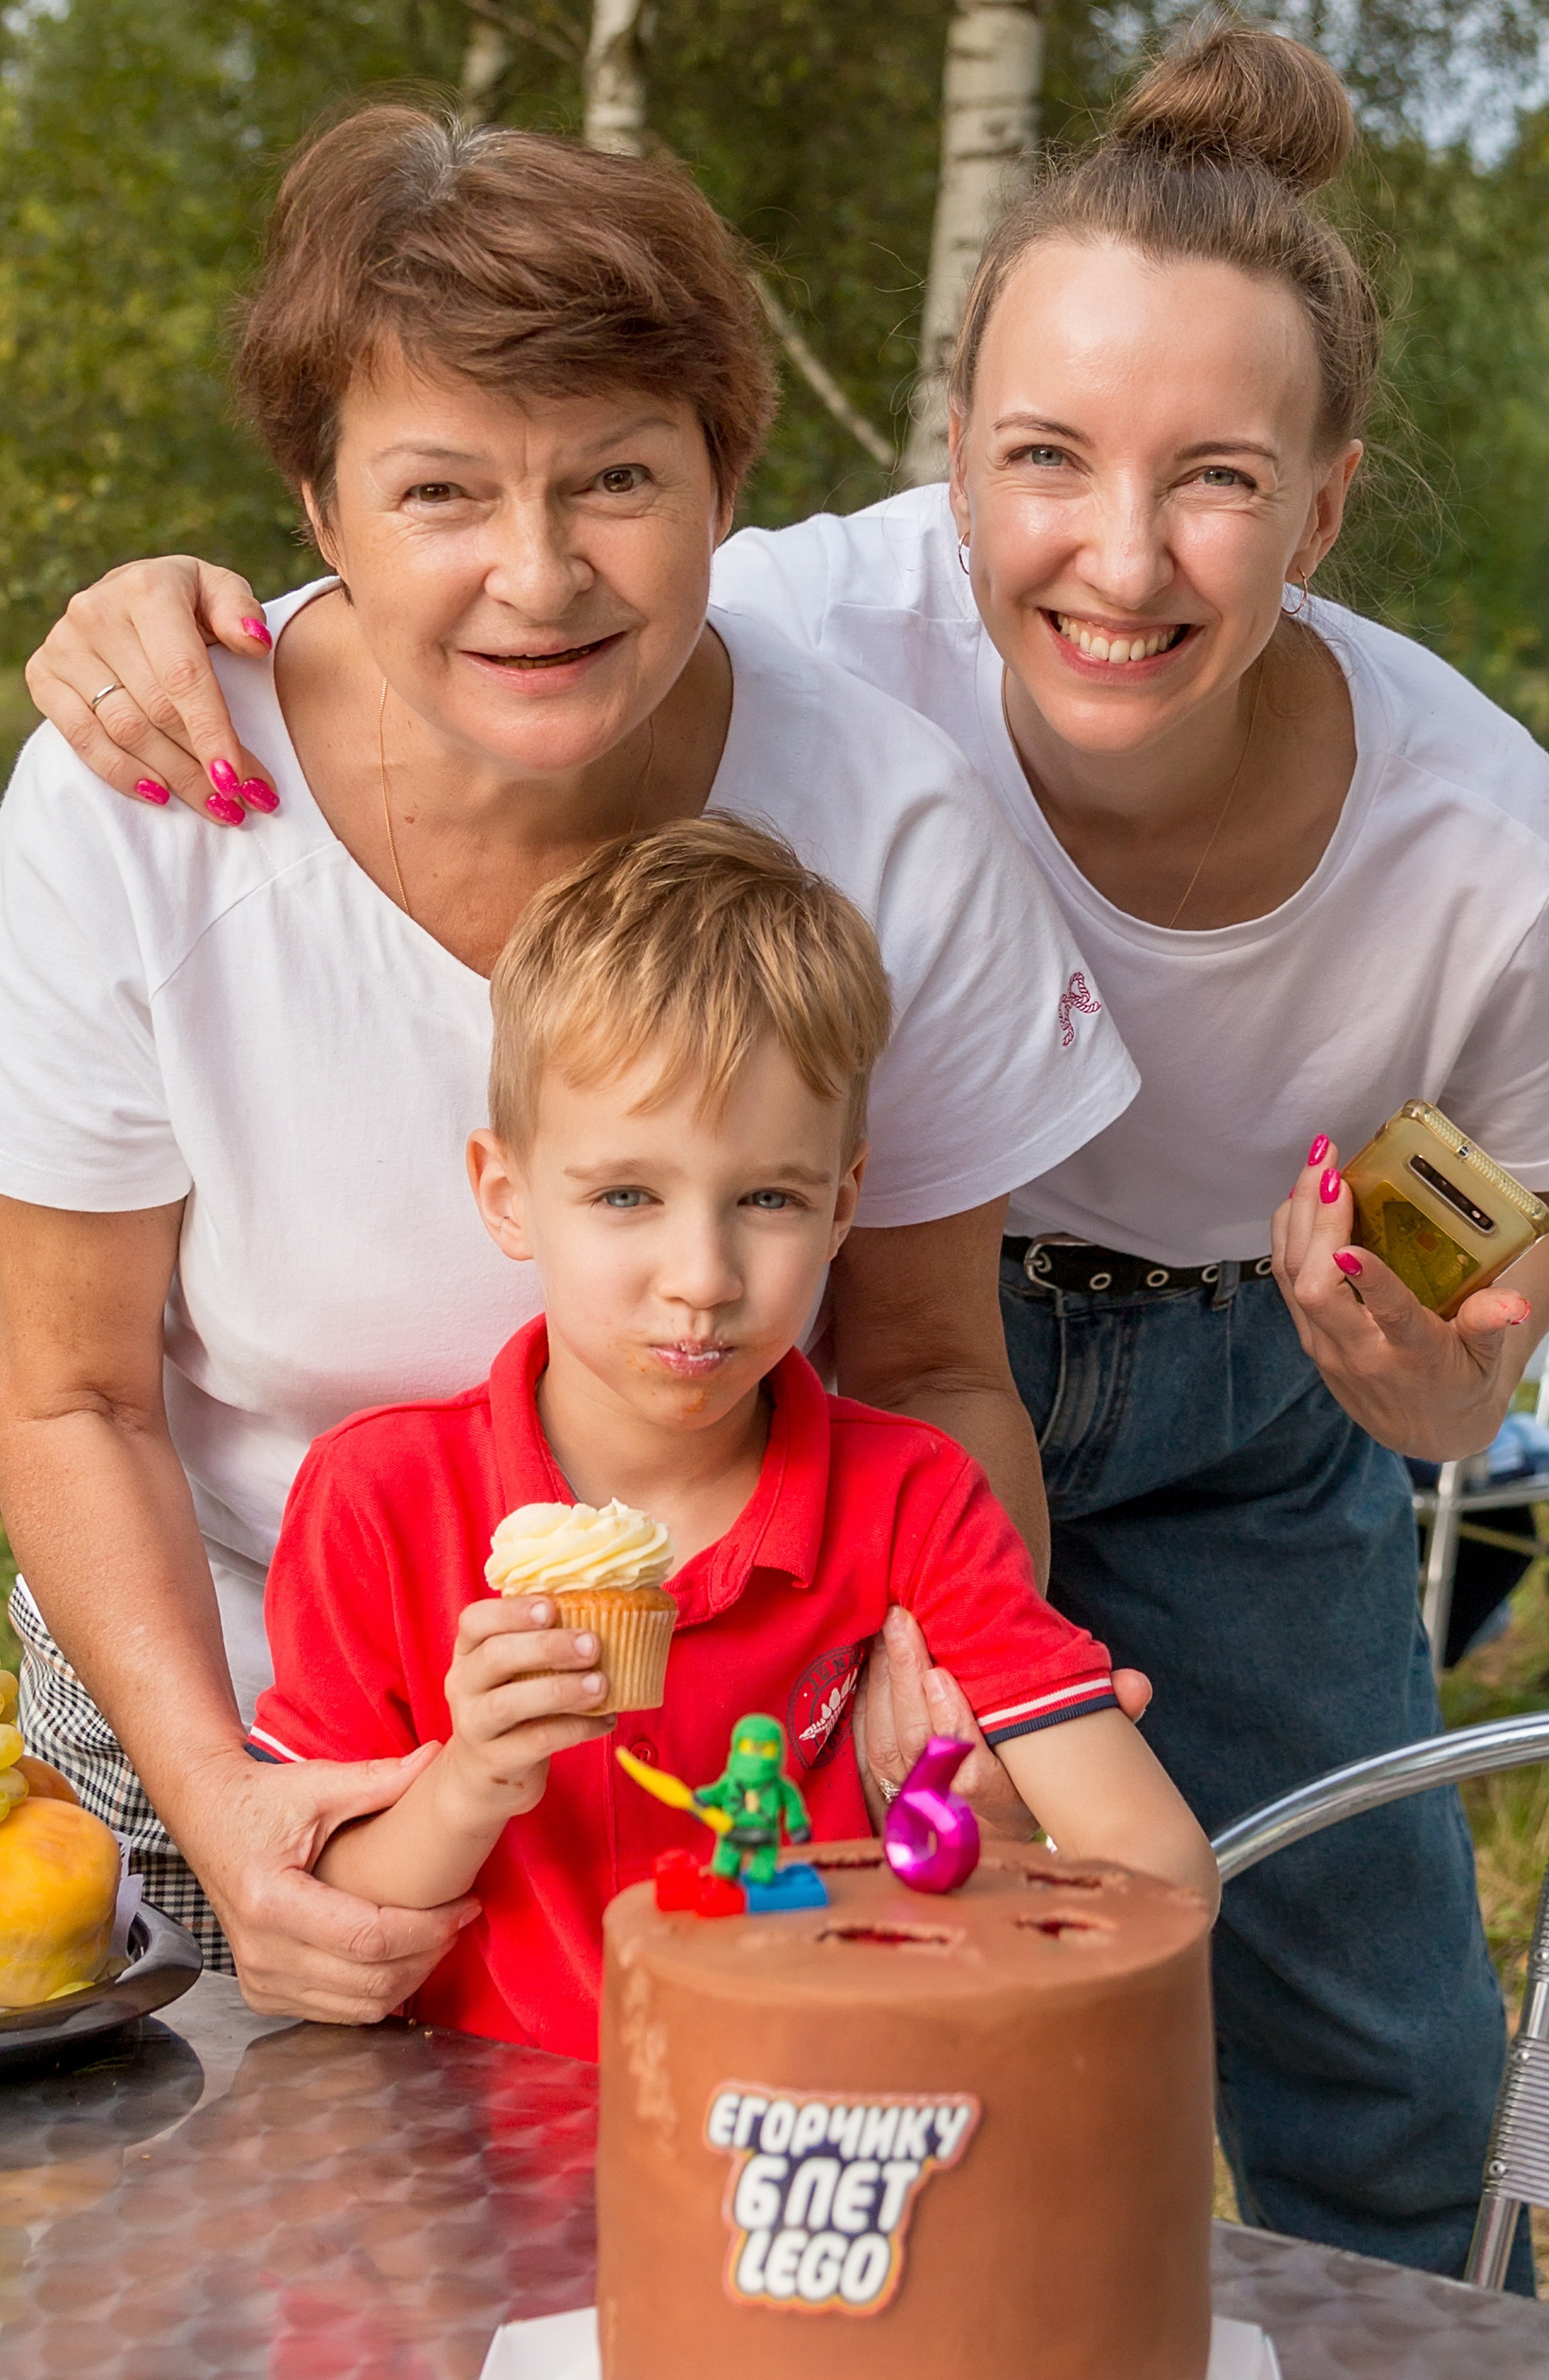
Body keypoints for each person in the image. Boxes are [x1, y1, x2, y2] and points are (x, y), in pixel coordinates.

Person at [23, 25, 1549, 2285]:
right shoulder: (692, 629)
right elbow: (455, 542)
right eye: (1051, 461)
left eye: (1222, 482)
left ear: (1327, 502)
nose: (1123, 553)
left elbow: (1483, 1217)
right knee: (381, 2176)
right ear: (946, 471)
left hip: (1156, 1396)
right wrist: (147, 608)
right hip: (582, 1487)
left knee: (1362, 2043)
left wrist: (1420, 1395)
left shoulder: (1434, 839)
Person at [0, 105, 1139, 2019]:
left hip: (708, 1766)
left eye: (614, 481)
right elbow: (74, 1405)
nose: (538, 576)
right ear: (314, 513)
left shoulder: (886, 823)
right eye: (439, 494)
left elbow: (929, 1368)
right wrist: (235, 1815)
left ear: (726, 482)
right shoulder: (143, 803)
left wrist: (934, 1668)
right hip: (207, 1707)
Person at [251, 818, 1210, 2056]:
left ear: (844, 1205)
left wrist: (990, 1850)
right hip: (478, 2175)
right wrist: (473, 1779)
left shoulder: (911, 1500)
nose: (701, 1279)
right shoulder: (381, 1498)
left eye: (767, 1198)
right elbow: (334, 1926)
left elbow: (1157, 1862)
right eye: (626, 1197)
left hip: (816, 2150)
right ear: (507, 1195)